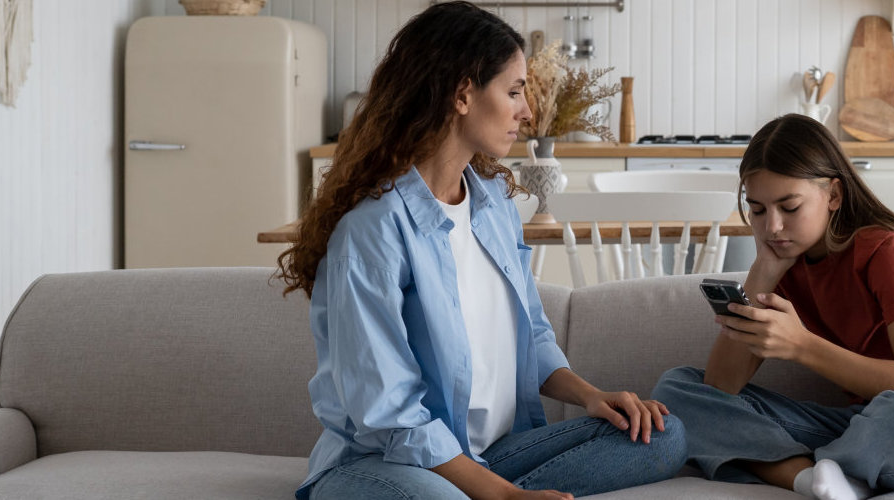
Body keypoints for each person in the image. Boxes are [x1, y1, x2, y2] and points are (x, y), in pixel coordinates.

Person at [275, 3, 684, 499]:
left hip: (488, 456)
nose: (528, 111)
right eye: (513, 91)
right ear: (463, 93)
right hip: (383, 462)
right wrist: (505, 495)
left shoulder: (493, 206)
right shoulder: (371, 232)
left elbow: (529, 333)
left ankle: (482, 490)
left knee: (662, 438)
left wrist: (592, 397)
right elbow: (390, 414)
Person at [651, 114, 894, 500]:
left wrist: (802, 346)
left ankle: (805, 466)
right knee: (677, 391)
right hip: (863, 427)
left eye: (789, 208)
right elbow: (721, 388)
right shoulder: (787, 261)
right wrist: (764, 270)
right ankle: (813, 479)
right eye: (757, 210)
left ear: (834, 196)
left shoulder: (885, 251)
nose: (772, 227)